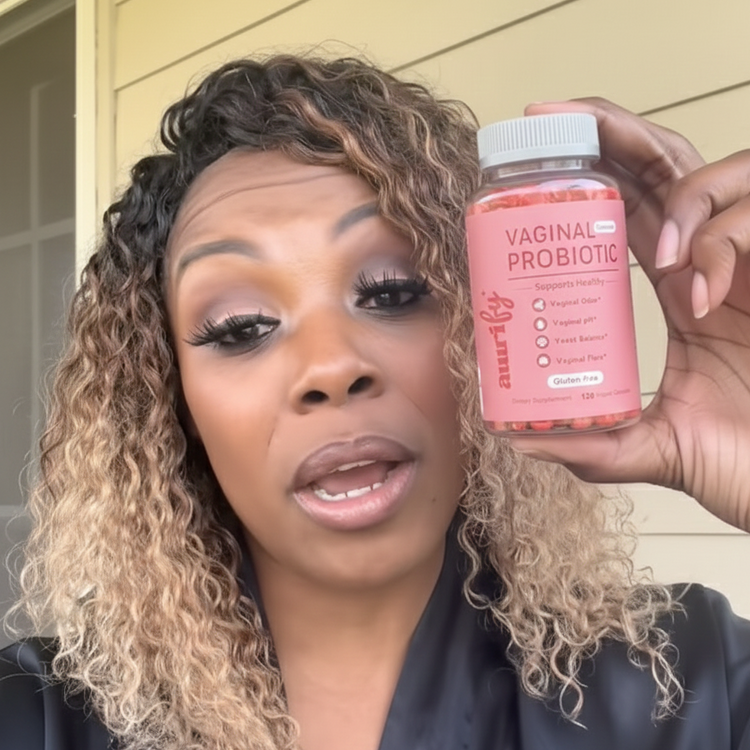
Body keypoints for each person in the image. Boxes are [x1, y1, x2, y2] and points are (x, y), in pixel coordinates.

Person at [1, 54, 749, 750]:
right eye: (241, 327)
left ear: (486, 331)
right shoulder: (38, 715)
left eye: (393, 291)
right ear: (172, 403)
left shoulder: (687, 687)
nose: (331, 367)